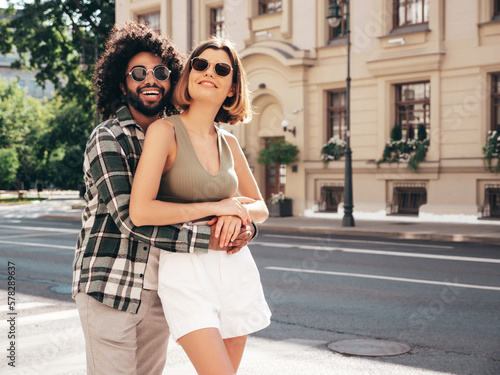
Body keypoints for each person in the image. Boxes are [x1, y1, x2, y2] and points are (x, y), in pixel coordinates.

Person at [72, 23, 256, 375]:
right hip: (110, 283)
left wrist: (240, 227)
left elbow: (215, 198)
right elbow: (131, 217)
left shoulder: (176, 134)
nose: (149, 80)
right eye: (137, 73)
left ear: (173, 79)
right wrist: (215, 238)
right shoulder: (107, 137)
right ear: (122, 82)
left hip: (159, 289)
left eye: (160, 72)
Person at [129, 36, 271, 374]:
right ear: (189, 75)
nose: (209, 71)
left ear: (233, 87)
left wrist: (241, 216)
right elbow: (141, 210)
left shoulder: (229, 142)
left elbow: (261, 206)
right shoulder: (165, 131)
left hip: (236, 267)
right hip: (185, 269)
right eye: (200, 64)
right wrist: (218, 206)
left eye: (222, 68)